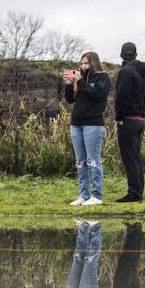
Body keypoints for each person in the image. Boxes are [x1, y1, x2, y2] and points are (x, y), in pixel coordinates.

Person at [63, 52, 111, 206]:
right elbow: (70, 99)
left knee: (93, 161)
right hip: (76, 123)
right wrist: (69, 85)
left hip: (93, 124)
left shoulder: (103, 77)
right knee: (80, 162)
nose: (83, 66)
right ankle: (84, 195)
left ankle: (96, 196)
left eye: (86, 63)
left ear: (94, 63)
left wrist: (81, 82)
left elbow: (97, 95)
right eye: (82, 63)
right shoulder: (80, 79)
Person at [114, 42, 145, 202]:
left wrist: (119, 117)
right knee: (136, 157)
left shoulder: (125, 72)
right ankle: (138, 191)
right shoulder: (143, 73)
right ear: (135, 54)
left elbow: (122, 96)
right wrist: (141, 113)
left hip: (127, 120)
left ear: (122, 55)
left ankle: (134, 193)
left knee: (129, 158)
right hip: (140, 119)